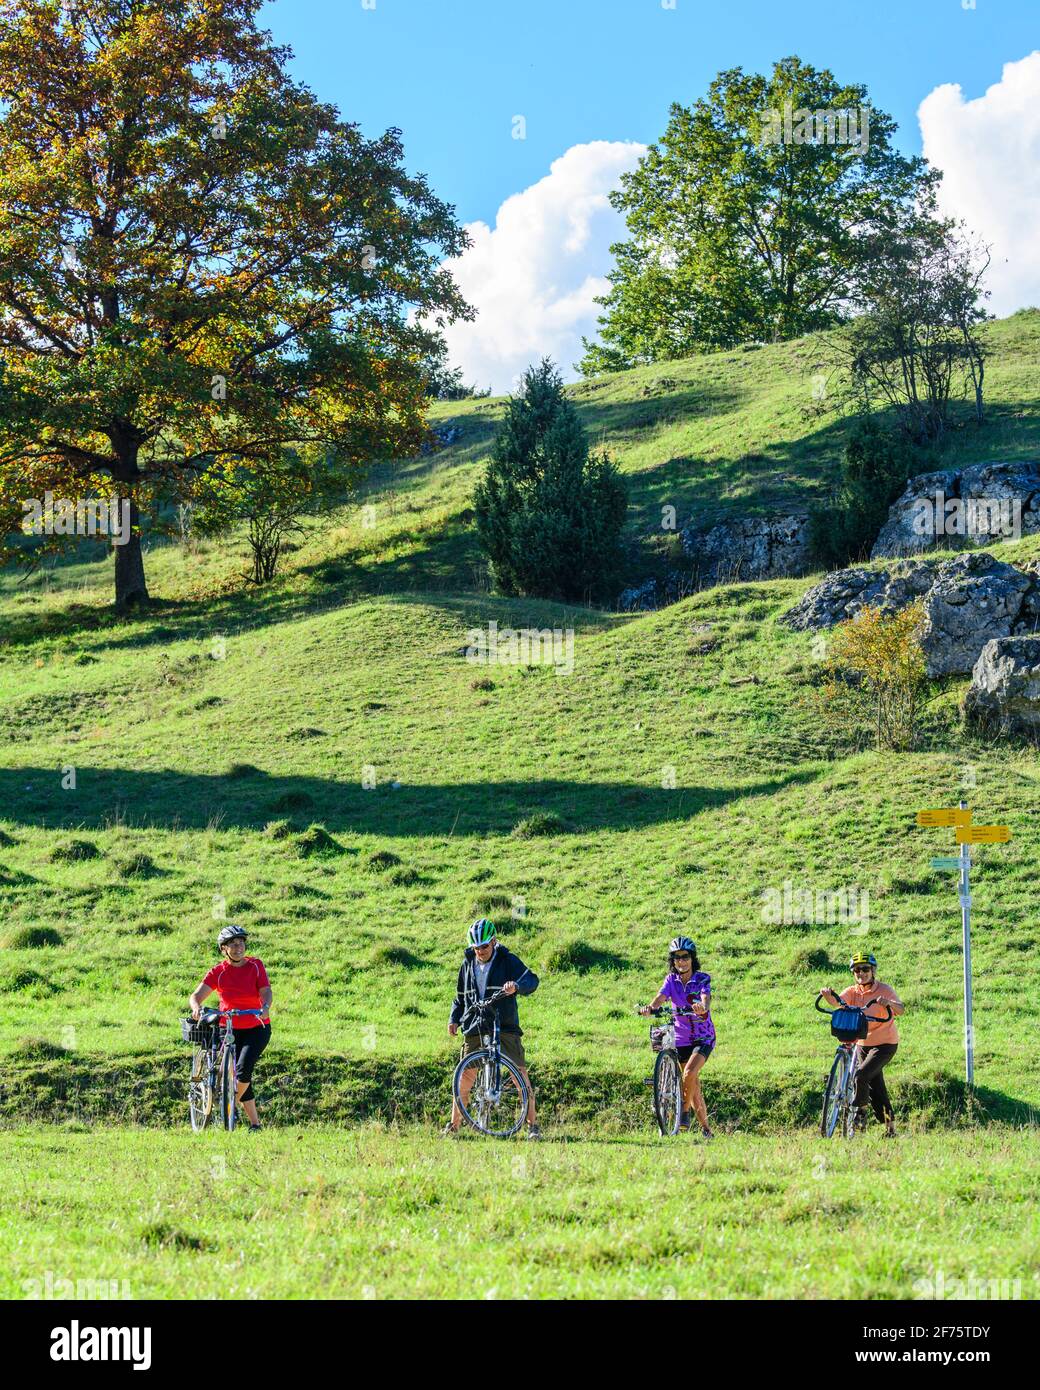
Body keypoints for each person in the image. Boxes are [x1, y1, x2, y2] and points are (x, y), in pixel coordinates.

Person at [445, 918, 540, 1138]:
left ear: (494, 941)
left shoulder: (507, 960)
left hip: (504, 1025)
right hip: (475, 1026)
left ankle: (532, 1127)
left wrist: (516, 986)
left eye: (484, 946)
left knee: (520, 1078)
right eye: (476, 947)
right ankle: (453, 1127)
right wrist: (454, 1018)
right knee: (465, 1078)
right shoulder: (467, 964)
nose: (480, 951)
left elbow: (532, 981)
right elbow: (459, 997)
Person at [189, 924, 272, 1133]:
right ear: (223, 949)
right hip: (228, 1028)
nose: (238, 947)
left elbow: (266, 991)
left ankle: (230, 1103)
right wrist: (197, 1008)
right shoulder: (218, 972)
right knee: (238, 1075)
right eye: (233, 944)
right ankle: (255, 1125)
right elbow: (196, 996)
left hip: (256, 1027)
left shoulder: (255, 966)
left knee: (242, 1072)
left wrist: (265, 1007)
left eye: (241, 943)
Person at [821, 950, 904, 1138]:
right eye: (857, 970)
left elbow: (901, 1010)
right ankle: (890, 1130)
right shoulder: (852, 992)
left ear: (873, 970)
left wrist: (888, 1002)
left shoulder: (884, 989)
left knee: (860, 1076)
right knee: (876, 1086)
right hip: (862, 1044)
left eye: (865, 969)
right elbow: (838, 1002)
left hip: (884, 1045)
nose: (861, 973)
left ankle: (859, 1115)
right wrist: (827, 996)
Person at [640, 936, 715, 1138]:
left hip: (703, 1037)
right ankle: (707, 1130)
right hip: (681, 1038)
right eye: (676, 958)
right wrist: (650, 1008)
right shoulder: (670, 980)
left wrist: (702, 1007)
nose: (681, 961)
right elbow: (660, 998)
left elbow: (705, 998)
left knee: (689, 1073)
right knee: (693, 1084)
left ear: (692, 959)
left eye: (685, 957)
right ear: (672, 961)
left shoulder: (702, 978)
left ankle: (684, 1113)